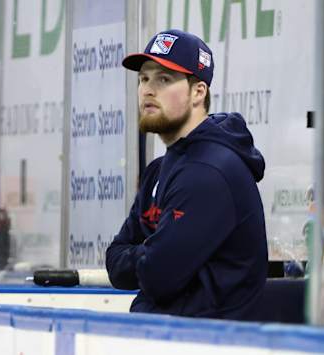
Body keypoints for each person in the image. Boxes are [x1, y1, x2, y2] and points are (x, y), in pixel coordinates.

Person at [105, 29, 268, 320]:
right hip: (160, 333)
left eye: (164, 79)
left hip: (208, 341)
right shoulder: (159, 170)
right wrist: (148, 254)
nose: (148, 90)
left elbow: (159, 276)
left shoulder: (210, 171)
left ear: (198, 92)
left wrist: (144, 254)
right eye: (144, 78)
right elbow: (115, 259)